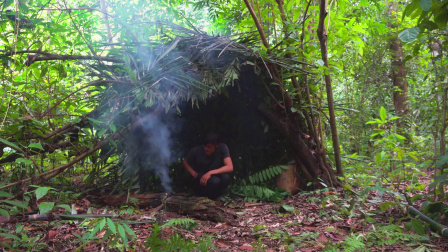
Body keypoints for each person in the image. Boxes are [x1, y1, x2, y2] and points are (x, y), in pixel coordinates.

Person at [183, 133, 233, 199]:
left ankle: (216, 197)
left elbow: (230, 167)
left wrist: (210, 173)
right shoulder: (196, 150)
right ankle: (204, 196)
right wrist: (195, 174)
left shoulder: (222, 148)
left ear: (216, 146)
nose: (206, 149)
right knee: (215, 181)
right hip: (201, 178)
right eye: (205, 146)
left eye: (209, 147)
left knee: (225, 178)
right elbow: (185, 162)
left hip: (214, 174)